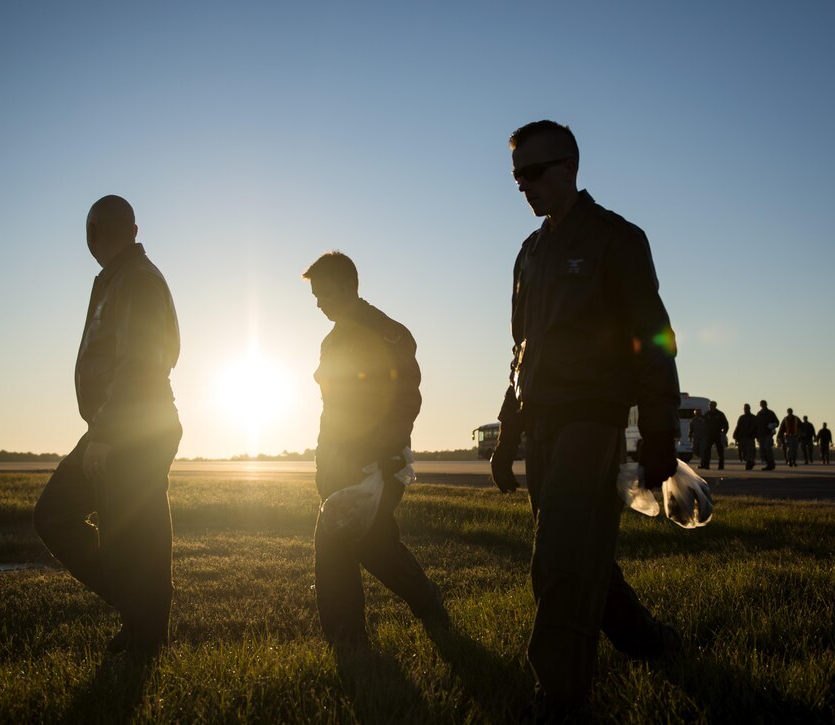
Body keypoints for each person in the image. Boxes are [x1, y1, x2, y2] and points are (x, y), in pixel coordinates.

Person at [489, 120, 681, 718]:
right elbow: (521, 352)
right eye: (517, 176)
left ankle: (561, 696)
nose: (524, 187)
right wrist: (508, 433)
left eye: (535, 173)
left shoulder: (616, 240)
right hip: (544, 427)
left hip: (593, 423)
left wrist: (658, 437)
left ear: (570, 167)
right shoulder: (530, 254)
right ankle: (649, 643)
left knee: (561, 561)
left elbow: (654, 342)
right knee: (580, 549)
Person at [33, 195, 183, 657]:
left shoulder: (136, 280)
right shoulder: (121, 279)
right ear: (134, 230)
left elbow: (141, 362)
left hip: (131, 427)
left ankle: (145, 626)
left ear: (91, 234)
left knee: (111, 531)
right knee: (132, 535)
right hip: (125, 422)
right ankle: (143, 618)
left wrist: (105, 434)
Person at [303, 251, 448, 646]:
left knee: (346, 539)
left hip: (378, 462)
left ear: (350, 286)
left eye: (324, 293)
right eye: (314, 295)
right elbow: (331, 409)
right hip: (339, 459)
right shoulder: (331, 341)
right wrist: (324, 461)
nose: (318, 303)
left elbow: (405, 398)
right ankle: (419, 606)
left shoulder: (388, 332)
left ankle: (347, 638)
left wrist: (387, 450)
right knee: (372, 544)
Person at [702, 401, 729, 470]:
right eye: (710, 405)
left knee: (720, 451)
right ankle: (706, 465)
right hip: (709, 435)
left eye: (712, 405)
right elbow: (703, 424)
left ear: (715, 405)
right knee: (707, 451)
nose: (711, 406)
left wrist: (724, 433)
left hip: (718, 435)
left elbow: (726, 424)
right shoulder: (707, 414)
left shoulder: (720, 414)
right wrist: (705, 433)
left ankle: (721, 466)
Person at [733, 403, 758, 470]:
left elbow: (756, 427)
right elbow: (738, 427)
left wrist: (755, 435)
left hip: (750, 437)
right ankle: (749, 461)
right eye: (744, 408)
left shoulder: (753, 417)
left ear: (749, 409)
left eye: (746, 408)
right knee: (743, 451)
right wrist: (735, 435)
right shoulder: (742, 417)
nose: (745, 410)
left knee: (750, 451)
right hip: (742, 437)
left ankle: (750, 462)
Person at [755, 400, 779, 470]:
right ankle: (768, 464)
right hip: (761, 435)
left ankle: (771, 464)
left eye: (764, 404)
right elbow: (757, 425)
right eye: (761, 404)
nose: (763, 405)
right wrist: (757, 435)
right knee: (762, 450)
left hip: (768, 434)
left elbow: (777, 422)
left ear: (766, 404)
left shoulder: (770, 413)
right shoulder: (759, 414)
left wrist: (772, 426)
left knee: (767, 448)